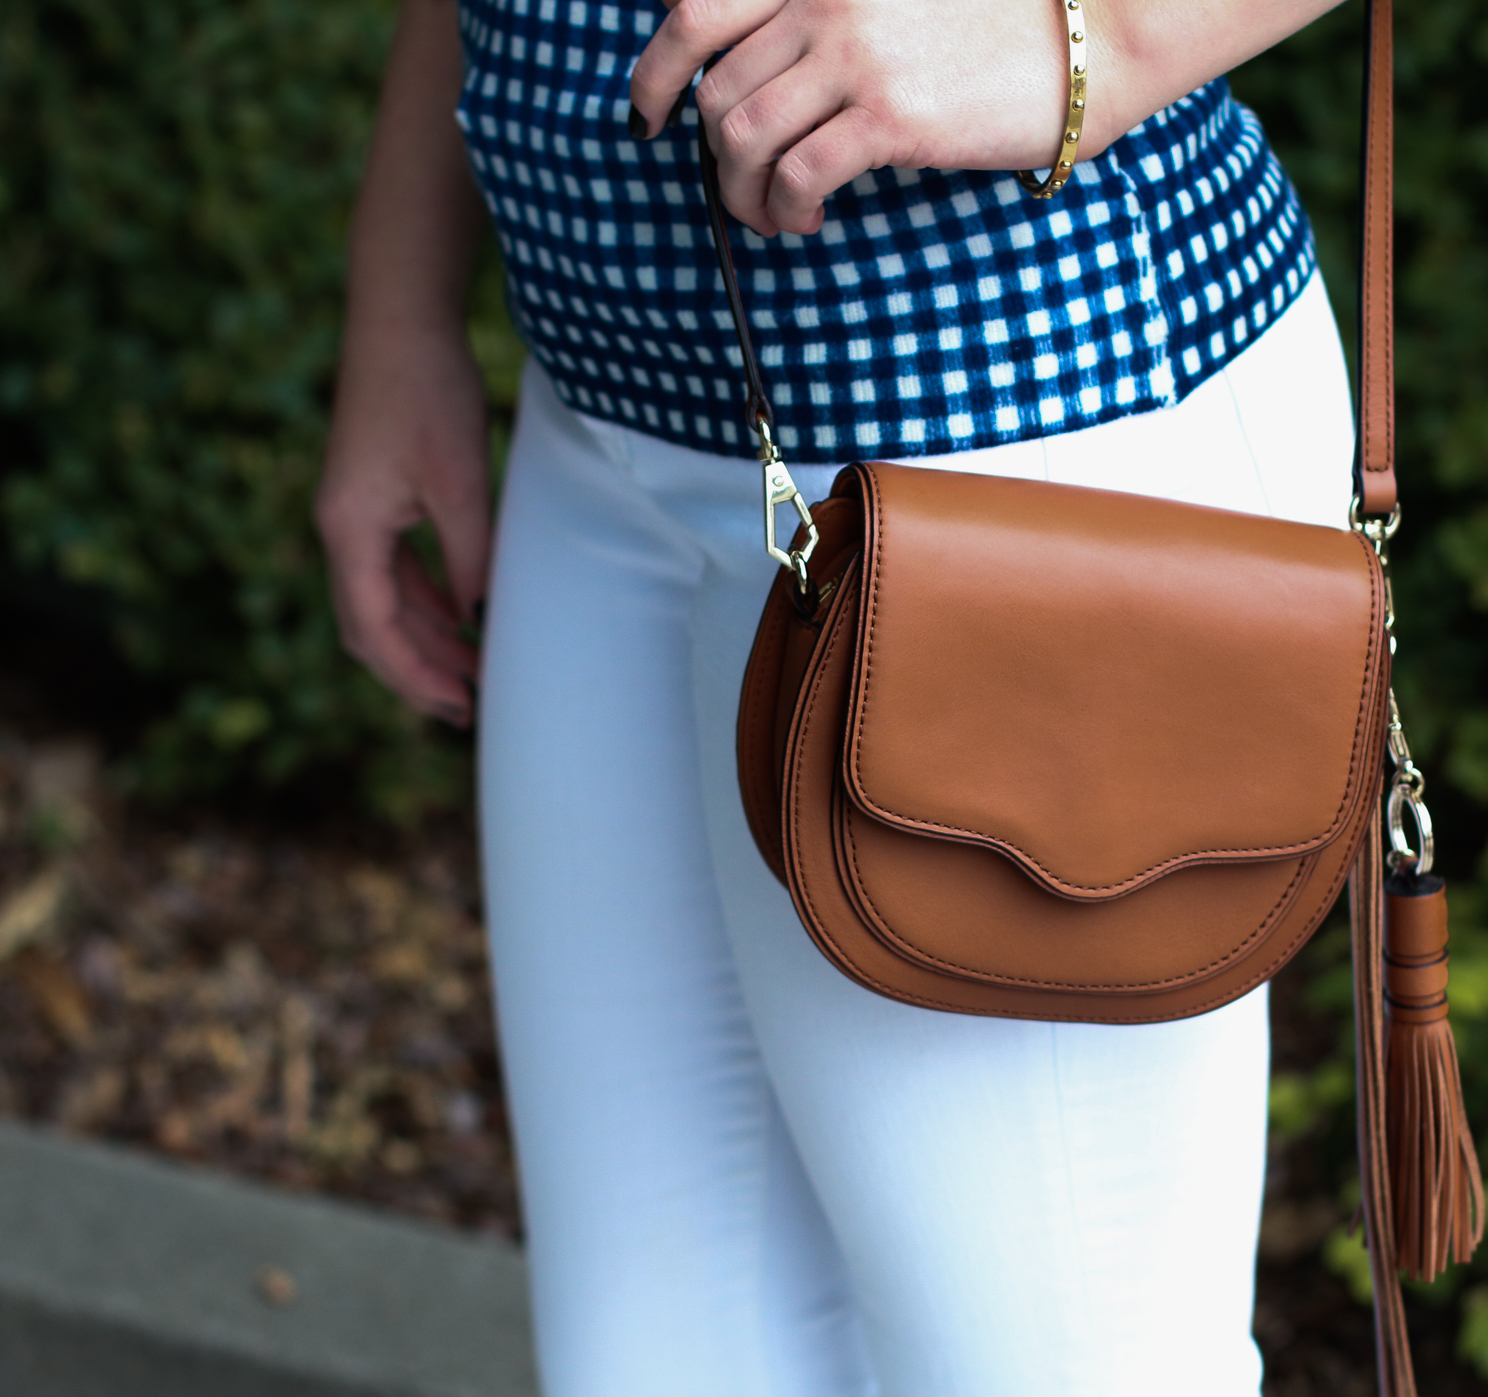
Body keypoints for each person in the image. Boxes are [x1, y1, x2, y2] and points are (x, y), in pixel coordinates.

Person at [316, 0, 1355, 1392]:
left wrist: (1093, 36)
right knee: (653, 1357)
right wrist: (402, 302)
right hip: (608, 433)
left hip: (1007, 426)